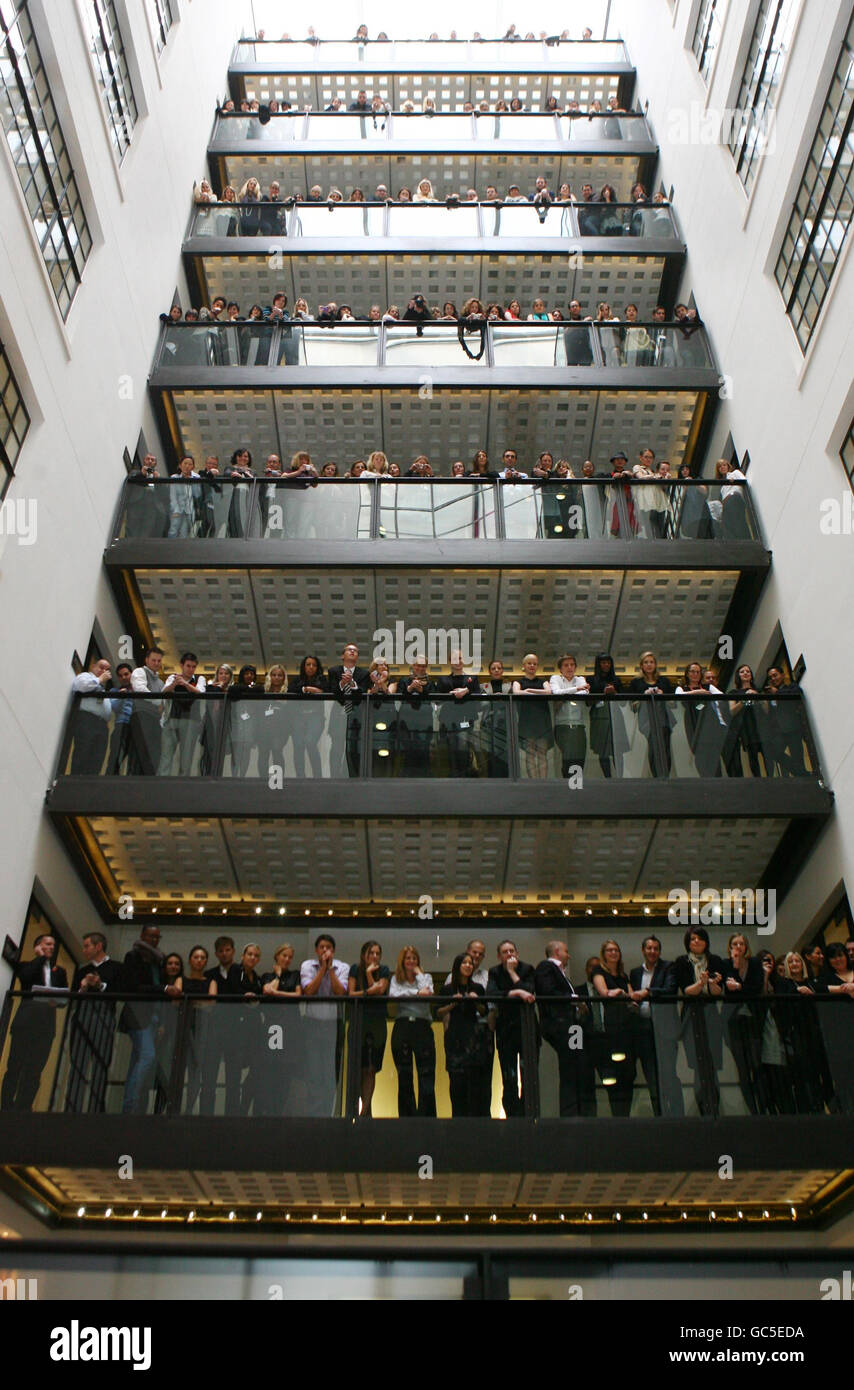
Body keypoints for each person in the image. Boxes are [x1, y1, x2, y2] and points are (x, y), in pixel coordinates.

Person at [1, 934, 68, 1111]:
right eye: (47, 944)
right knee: (15, 1065)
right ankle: (6, 1106)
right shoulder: (27, 966)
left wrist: (58, 1001)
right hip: (26, 1022)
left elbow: (64, 996)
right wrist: (40, 958)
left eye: (53, 944)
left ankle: (23, 1107)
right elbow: (26, 978)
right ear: (38, 946)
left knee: (35, 1069)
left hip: (46, 1026)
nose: (52, 947)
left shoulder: (59, 972)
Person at [65, 931, 122, 1113]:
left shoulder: (116, 968)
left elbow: (120, 991)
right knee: (77, 1064)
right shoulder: (82, 970)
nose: (84, 950)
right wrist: (83, 986)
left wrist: (100, 985)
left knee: (100, 1064)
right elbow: (72, 997)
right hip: (82, 1016)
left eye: (87, 945)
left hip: (104, 1017)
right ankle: (72, 1108)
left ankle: (95, 1110)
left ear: (98, 946)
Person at [534, 941, 593, 1116]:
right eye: (566, 951)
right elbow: (547, 992)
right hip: (561, 1024)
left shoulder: (561, 973)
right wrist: (574, 999)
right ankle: (571, 1112)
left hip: (572, 1026)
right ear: (558, 952)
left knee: (577, 1063)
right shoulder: (546, 967)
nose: (569, 955)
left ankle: (579, 1109)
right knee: (570, 1066)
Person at [673, 927, 725, 1115]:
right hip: (691, 1013)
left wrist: (711, 984)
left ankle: (714, 1107)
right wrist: (701, 983)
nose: (696, 942)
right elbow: (687, 990)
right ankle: (704, 1107)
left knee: (711, 1062)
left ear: (706, 941)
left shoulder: (716, 960)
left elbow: (718, 992)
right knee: (697, 1062)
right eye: (692, 939)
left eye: (700, 938)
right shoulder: (681, 962)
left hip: (710, 1012)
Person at [628, 936, 682, 1115]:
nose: (652, 952)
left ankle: (676, 1114)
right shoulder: (635, 973)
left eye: (656, 948)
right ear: (643, 950)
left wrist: (647, 992)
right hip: (643, 1029)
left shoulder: (669, 967)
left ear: (660, 951)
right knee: (651, 1076)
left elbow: (669, 990)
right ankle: (659, 1114)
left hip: (665, 1028)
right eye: (649, 948)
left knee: (669, 1074)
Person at [119, 925, 167, 1114]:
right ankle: (130, 1107)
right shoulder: (134, 957)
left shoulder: (158, 961)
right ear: (142, 936)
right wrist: (162, 989)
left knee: (138, 1059)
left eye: (157, 937)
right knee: (148, 1056)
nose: (154, 940)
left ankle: (131, 1106)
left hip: (152, 1016)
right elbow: (131, 986)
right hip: (137, 1013)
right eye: (150, 936)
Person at [300, 934, 349, 1116]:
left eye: (328, 948)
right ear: (316, 950)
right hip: (312, 1024)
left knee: (330, 1073)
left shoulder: (342, 967)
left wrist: (330, 970)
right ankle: (314, 1115)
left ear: (333, 951)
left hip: (332, 1025)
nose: (325, 951)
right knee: (314, 1072)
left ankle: (328, 1114)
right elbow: (309, 991)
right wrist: (322, 969)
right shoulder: (307, 966)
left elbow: (340, 993)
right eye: (322, 947)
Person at [487, 940, 537, 1117]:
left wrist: (512, 973)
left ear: (517, 953)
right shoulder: (494, 972)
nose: (509, 954)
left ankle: (530, 1115)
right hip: (506, 1029)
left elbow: (530, 991)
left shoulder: (528, 969)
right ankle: (512, 1116)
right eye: (505, 952)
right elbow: (491, 994)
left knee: (529, 1076)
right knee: (509, 1077)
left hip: (527, 1028)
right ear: (499, 956)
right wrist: (515, 993)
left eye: (512, 951)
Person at [437, 953, 488, 1116]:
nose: (468, 966)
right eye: (464, 963)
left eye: (470, 963)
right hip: (455, 1035)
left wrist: (475, 1001)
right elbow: (438, 1011)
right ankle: (457, 1118)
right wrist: (453, 1003)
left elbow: (484, 1010)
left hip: (473, 1035)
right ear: (457, 966)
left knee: (474, 1081)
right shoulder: (447, 989)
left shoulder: (477, 988)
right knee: (456, 1081)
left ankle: (474, 1120)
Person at [388, 946, 436, 1116]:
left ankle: (427, 1116)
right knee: (405, 1074)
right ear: (402, 961)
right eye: (408, 958)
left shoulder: (426, 977)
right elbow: (394, 995)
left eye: (414, 958)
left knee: (426, 1073)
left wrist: (420, 975)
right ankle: (407, 1116)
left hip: (422, 1026)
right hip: (403, 1026)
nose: (411, 961)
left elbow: (429, 993)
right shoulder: (396, 979)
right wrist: (416, 992)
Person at [589, 941, 635, 1115]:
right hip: (611, 1025)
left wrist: (623, 994)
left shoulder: (623, 975)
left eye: (616, 950)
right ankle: (617, 1114)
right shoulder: (598, 971)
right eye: (610, 950)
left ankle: (625, 1113)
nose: (613, 953)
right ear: (604, 953)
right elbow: (605, 993)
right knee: (613, 1069)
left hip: (627, 1024)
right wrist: (619, 994)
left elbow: (631, 996)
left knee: (628, 1072)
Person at [721, 932, 764, 1113]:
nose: (738, 947)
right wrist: (736, 966)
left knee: (757, 1063)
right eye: (734, 944)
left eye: (741, 944)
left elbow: (757, 988)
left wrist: (740, 987)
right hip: (733, 1020)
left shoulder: (754, 963)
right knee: (743, 1067)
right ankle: (752, 1109)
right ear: (730, 948)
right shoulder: (725, 964)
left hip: (753, 1019)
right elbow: (729, 991)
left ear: (746, 947)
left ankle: (763, 1106)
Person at [200, 935, 243, 1114]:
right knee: (209, 1075)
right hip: (215, 1028)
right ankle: (205, 1116)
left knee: (234, 1077)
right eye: (221, 951)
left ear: (233, 951)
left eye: (228, 950)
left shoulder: (241, 971)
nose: (225, 954)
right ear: (216, 953)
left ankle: (232, 1117)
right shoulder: (209, 974)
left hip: (234, 1028)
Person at [348, 940, 391, 1117]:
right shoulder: (354, 969)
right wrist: (367, 993)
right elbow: (350, 994)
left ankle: (365, 1111)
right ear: (364, 954)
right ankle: (357, 1110)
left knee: (371, 1068)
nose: (374, 956)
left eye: (377, 953)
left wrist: (369, 975)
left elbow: (380, 991)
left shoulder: (384, 970)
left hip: (377, 1022)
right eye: (371, 953)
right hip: (359, 1020)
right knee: (358, 1067)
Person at [257, 944, 301, 1116]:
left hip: (291, 1026)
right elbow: (268, 990)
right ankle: (269, 1108)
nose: (287, 959)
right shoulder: (268, 975)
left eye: (290, 957)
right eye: (284, 956)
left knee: (286, 1069)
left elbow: (297, 995)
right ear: (277, 956)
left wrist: (277, 994)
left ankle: (279, 1108)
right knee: (272, 1065)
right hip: (274, 1026)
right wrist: (277, 975)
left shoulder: (295, 975)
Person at [675, 661, 728, 776]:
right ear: (687, 674)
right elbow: (678, 696)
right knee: (699, 754)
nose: (695, 674)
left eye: (698, 672)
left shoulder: (708, 686)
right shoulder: (682, 688)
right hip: (692, 721)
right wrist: (698, 692)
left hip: (709, 721)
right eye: (693, 672)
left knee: (713, 753)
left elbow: (721, 696)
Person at [158, 652, 206, 775]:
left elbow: (200, 692)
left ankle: (182, 785)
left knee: (186, 758)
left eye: (193, 667)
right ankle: (161, 783)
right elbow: (163, 692)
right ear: (181, 665)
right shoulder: (172, 677)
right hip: (172, 719)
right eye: (188, 666)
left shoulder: (200, 678)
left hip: (191, 721)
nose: (191, 669)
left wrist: (185, 684)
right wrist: (174, 684)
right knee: (166, 755)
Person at [629, 650, 675, 778]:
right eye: (646, 662)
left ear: (655, 664)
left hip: (663, 720)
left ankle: (666, 776)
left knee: (665, 750)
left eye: (651, 662)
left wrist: (662, 695)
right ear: (641, 665)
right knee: (652, 750)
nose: (649, 665)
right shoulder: (636, 682)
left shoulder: (664, 681)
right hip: (646, 722)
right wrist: (644, 696)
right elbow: (632, 705)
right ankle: (656, 776)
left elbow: (673, 702)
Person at [329, 642, 371, 776]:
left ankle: (354, 775)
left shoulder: (364, 674)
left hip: (356, 716)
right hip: (338, 715)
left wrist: (353, 684)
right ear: (343, 655)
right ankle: (334, 775)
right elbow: (331, 692)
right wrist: (342, 683)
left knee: (354, 748)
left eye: (355, 651)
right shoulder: (333, 671)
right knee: (336, 748)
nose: (353, 652)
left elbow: (363, 693)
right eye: (349, 650)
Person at [437, 649, 480, 776]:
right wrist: (449, 695)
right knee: (450, 748)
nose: (458, 661)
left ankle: (465, 775)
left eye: (460, 658)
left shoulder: (472, 678)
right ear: (450, 662)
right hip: (448, 719)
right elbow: (437, 699)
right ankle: (454, 775)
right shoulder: (443, 679)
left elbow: (479, 695)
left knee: (464, 746)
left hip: (466, 718)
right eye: (455, 659)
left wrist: (466, 691)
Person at [512, 653, 554, 778]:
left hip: (542, 720)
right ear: (523, 666)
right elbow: (517, 693)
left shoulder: (543, 681)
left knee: (542, 752)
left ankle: (543, 781)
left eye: (535, 664)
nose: (532, 666)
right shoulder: (517, 682)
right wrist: (533, 692)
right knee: (530, 753)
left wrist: (529, 691)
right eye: (529, 663)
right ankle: (533, 781)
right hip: (527, 720)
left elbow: (549, 692)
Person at [396, 655, 437, 774]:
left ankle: (425, 775)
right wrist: (409, 689)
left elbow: (434, 699)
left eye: (423, 666)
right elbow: (398, 697)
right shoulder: (404, 680)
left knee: (424, 748)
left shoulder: (430, 683)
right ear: (413, 666)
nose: (420, 668)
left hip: (424, 722)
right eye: (418, 665)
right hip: (407, 720)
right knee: (407, 748)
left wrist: (421, 691)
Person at [762, 666, 807, 775]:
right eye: (770, 677)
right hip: (778, 731)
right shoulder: (770, 695)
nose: (773, 679)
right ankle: (803, 773)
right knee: (773, 751)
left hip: (793, 728)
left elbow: (796, 696)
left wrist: (777, 693)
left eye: (775, 675)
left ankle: (802, 777)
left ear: (782, 675)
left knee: (797, 756)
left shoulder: (791, 687)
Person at [588, 653, 627, 778]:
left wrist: (614, 692)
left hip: (615, 715)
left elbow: (624, 702)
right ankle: (608, 778)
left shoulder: (616, 680)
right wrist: (602, 693)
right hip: (599, 716)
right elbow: (588, 702)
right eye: (603, 662)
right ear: (598, 664)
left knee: (618, 749)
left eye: (608, 663)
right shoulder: (591, 680)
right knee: (602, 750)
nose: (606, 665)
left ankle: (620, 776)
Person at [550, 654, 589, 777]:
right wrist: (576, 689)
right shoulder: (555, 678)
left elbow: (584, 694)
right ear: (560, 668)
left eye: (572, 665)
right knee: (568, 758)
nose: (569, 667)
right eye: (566, 665)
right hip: (563, 726)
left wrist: (569, 693)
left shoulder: (580, 679)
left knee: (579, 759)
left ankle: (576, 787)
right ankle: (567, 785)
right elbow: (556, 693)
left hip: (578, 725)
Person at [725, 664, 765, 777]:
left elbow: (766, 709)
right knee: (753, 760)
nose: (746, 673)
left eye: (748, 671)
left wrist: (757, 696)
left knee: (768, 757)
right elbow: (732, 711)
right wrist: (744, 700)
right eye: (742, 671)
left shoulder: (758, 690)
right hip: (747, 728)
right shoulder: (733, 693)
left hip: (762, 726)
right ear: (738, 676)